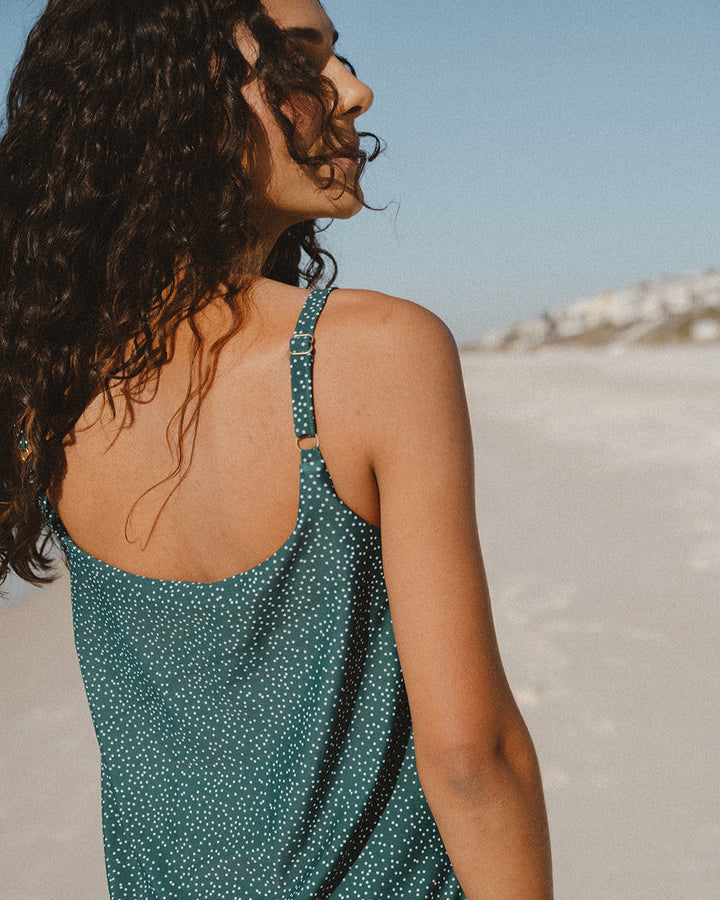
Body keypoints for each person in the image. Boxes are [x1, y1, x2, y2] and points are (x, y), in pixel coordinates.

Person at [0, 0, 553, 897]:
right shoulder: (374, 352)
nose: (356, 91)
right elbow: (471, 755)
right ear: (177, 92)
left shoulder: (49, 384)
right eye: (301, 63)